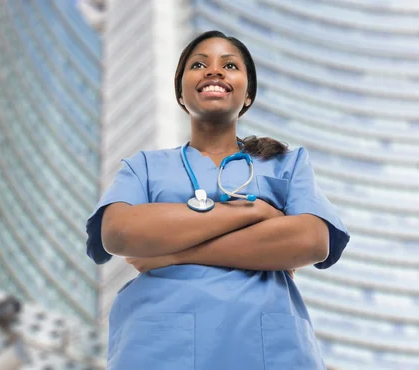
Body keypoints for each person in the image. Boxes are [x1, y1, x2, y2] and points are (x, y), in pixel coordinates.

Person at [86, 30, 350, 370]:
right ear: (181, 93)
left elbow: (313, 240)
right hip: (160, 348)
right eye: (199, 64)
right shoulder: (145, 167)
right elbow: (119, 233)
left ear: (248, 94)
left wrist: (172, 253)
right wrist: (254, 210)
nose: (214, 71)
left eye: (229, 65)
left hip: (268, 350)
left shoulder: (286, 162)